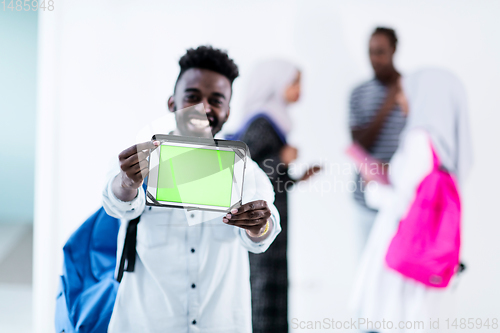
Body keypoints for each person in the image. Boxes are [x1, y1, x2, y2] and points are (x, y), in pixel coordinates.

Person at [102, 46, 282, 333]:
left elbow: (262, 237)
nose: (204, 108)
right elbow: (116, 204)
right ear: (173, 102)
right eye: (193, 97)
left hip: (221, 323)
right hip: (145, 323)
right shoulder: (139, 157)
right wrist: (128, 182)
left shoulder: (247, 171)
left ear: (227, 111)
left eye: (216, 100)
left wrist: (258, 225)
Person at [351, 68, 473, 333]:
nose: (401, 101)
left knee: (393, 320)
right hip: (426, 258)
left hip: (404, 258)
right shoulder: (448, 143)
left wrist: (372, 186)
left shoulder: (419, 138)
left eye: (405, 93)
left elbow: (403, 204)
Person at [230, 59, 320, 333]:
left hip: (271, 222)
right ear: (275, 83)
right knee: (263, 287)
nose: (299, 89)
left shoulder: (275, 120)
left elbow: (271, 179)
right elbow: (245, 171)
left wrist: (296, 176)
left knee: (275, 284)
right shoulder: (262, 121)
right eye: (294, 82)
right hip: (258, 223)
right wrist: (281, 157)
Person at [349, 27, 407, 251]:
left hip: (403, 198)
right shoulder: (359, 93)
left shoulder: (411, 89)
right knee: (367, 271)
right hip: (366, 200)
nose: (375, 59)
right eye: (371, 52)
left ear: (394, 50)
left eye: (381, 52)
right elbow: (359, 145)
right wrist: (387, 105)